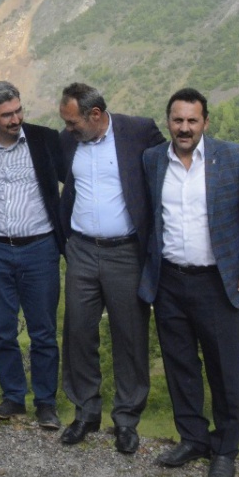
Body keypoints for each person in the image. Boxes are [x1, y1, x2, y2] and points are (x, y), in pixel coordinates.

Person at [141, 87, 239, 477]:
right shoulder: (152, 160)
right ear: (168, 121)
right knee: (180, 365)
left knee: (225, 370)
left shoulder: (233, 157)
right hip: (169, 281)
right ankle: (193, 439)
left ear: (206, 122)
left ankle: (226, 450)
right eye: (177, 120)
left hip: (219, 282)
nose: (184, 128)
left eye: (192, 121)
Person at [57, 82, 164, 453]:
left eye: (72, 122)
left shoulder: (138, 131)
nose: (67, 129)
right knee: (78, 332)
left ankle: (127, 420)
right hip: (81, 250)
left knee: (130, 335)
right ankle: (86, 412)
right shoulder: (69, 141)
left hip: (126, 253)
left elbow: (168, 168)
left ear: (96, 114)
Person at [0, 81, 67, 430]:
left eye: (18, 110)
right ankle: (13, 397)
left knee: (43, 331)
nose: (16, 118)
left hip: (40, 248)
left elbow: (74, 178)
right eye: (7, 114)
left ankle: (46, 403)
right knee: (2, 330)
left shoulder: (44, 139)